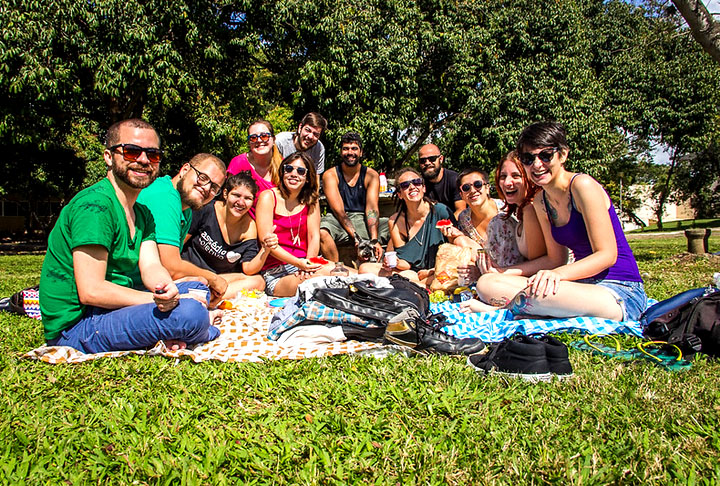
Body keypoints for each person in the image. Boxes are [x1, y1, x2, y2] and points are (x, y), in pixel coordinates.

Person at [39, 119, 220, 353]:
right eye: (132, 151)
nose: (143, 160)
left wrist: (167, 289)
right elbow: (91, 290)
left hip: (110, 310)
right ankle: (201, 328)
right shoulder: (95, 207)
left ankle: (173, 328)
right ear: (108, 156)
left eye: (152, 155)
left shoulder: (142, 213)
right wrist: (167, 303)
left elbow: (152, 266)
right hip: (79, 325)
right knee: (191, 313)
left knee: (197, 287)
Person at [463, 121, 647, 321]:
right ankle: (525, 310)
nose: (537, 165)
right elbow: (554, 259)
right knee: (488, 283)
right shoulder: (542, 200)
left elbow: (607, 255)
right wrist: (502, 273)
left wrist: (558, 275)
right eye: (528, 159)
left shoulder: (582, 185)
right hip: (580, 286)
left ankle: (501, 312)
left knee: (538, 296)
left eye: (546, 155)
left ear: (563, 154)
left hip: (619, 290)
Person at [137, 153, 228, 305]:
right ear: (185, 169)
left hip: (152, 283)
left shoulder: (186, 210)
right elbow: (171, 267)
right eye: (203, 177)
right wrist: (213, 279)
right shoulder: (165, 198)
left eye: (214, 188)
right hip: (131, 289)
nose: (206, 188)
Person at [255, 152, 340, 296]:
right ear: (282, 172)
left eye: (301, 171)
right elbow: (268, 242)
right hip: (276, 272)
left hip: (306, 263)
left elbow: (314, 236)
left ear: (307, 178)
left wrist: (308, 264)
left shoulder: (311, 200)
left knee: (347, 273)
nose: (294, 174)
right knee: (326, 282)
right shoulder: (268, 197)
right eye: (289, 169)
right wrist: (299, 264)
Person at [182, 172, 280, 297]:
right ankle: (204, 296)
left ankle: (208, 297)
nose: (241, 202)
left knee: (259, 281)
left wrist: (265, 249)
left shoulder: (249, 227)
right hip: (190, 272)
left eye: (247, 198)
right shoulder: (207, 209)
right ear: (225, 194)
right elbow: (181, 242)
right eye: (236, 195)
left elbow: (248, 269)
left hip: (218, 280)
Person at [359, 168, 456, 284]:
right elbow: (405, 263)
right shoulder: (395, 221)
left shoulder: (441, 211)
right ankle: (422, 284)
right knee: (365, 268)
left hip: (441, 270)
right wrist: (394, 262)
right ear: (399, 194)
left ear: (423, 188)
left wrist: (433, 270)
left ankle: (420, 284)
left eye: (417, 182)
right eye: (405, 185)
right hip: (413, 274)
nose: (412, 187)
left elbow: (456, 248)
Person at [319, 132, 389, 262]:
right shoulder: (330, 175)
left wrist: (374, 240)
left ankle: (388, 266)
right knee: (322, 232)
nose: (350, 152)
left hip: (362, 218)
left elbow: (372, 209)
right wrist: (357, 239)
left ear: (361, 152)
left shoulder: (371, 175)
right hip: (338, 221)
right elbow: (340, 212)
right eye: (346, 149)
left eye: (354, 148)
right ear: (341, 152)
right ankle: (336, 269)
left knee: (394, 225)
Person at [226, 119, 283, 217]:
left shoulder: (284, 166)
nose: (259, 140)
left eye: (264, 136)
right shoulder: (238, 163)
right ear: (249, 142)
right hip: (245, 223)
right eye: (253, 138)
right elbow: (228, 198)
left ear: (273, 139)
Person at [418, 144, 466, 216]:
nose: (427, 163)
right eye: (423, 160)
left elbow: (461, 210)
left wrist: (445, 225)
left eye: (432, 159)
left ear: (441, 159)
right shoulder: (418, 184)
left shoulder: (454, 179)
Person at [275, 112, 327, 178]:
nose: (310, 136)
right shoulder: (280, 142)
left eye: (315, 134)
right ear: (300, 128)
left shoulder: (319, 149)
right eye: (308, 130)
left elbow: (315, 178)